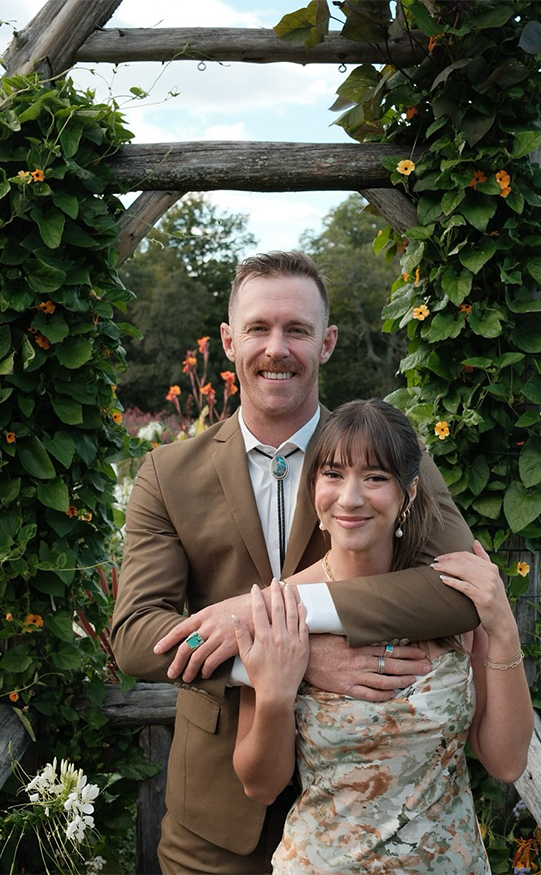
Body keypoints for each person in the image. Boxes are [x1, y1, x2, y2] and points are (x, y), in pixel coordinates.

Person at [110, 252, 480, 875]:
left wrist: (283, 613)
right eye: (258, 329)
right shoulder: (166, 475)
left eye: (297, 330)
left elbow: (461, 591)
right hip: (217, 820)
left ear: (327, 342)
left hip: (373, 822)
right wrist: (288, 660)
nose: (275, 348)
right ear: (229, 341)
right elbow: (137, 638)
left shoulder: (389, 451)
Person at [232, 399, 534, 873]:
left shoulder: (452, 599)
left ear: (408, 493)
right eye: (333, 474)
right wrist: (274, 697)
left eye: (374, 477)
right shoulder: (284, 609)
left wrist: (503, 631)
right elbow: (260, 785)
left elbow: (506, 762)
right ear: (313, 489)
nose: (350, 498)